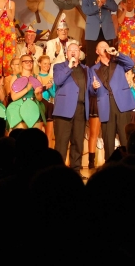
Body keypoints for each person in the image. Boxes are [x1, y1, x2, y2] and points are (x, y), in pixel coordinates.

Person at [90, 42, 135, 160]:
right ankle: (110, 165)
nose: (104, 48)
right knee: (108, 139)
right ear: (97, 51)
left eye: (106, 46)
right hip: (105, 106)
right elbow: (90, 91)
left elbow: (131, 63)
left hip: (122, 104)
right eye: (101, 47)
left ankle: (128, 163)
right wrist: (93, 87)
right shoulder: (93, 69)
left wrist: (116, 53)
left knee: (125, 138)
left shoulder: (119, 63)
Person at [52, 41, 89, 173]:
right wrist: (69, 66)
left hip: (80, 109)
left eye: (76, 50)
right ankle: (58, 172)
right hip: (64, 110)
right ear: (66, 53)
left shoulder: (86, 69)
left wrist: (95, 88)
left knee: (77, 143)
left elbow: (88, 89)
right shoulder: (59, 67)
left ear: (80, 53)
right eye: (70, 50)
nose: (73, 52)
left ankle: (76, 171)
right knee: (61, 143)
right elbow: (58, 80)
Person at [82, 0, 118, 67]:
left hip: (106, 31)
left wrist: (105, 2)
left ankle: (108, 74)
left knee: (108, 55)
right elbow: (86, 11)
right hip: (93, 32)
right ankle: (91, 75)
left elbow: (115, 8)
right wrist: (98, 5)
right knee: (92, 57)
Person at [7, 55, 45, 130]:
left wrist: (37, 94)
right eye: (26, 61)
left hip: (33, 108)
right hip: (19, 109)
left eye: (31, 61)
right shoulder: (15, 77)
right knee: (20, 135)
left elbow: (40, 99)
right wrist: (27, 89)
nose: (29, 63)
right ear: (21, 63)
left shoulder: (37, 77)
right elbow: (13, 97)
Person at [37, 55, 56, 149]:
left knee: (49, 135)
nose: (47, 66)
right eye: (45, 63)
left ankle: (48, 154)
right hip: (39, 106)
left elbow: (54, 95)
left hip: (49, 107)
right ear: (39, 64)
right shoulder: (35, 77)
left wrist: (48, 88)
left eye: (48, 64)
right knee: (38, 134)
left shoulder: (52, 78)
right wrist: (45, 87)